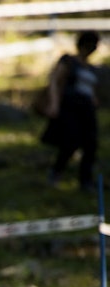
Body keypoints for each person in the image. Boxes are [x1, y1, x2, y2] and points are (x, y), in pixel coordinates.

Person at [42, 31, 101, 191]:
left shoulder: (91, 68)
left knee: (91, 143)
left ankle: (86, 181)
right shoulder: (68, 61)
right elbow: (55, 80)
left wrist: (94, 100)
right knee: (70, 141)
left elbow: (92, 89)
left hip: (87, 108)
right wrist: (54, 103)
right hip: (70, 106)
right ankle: (56, 172)